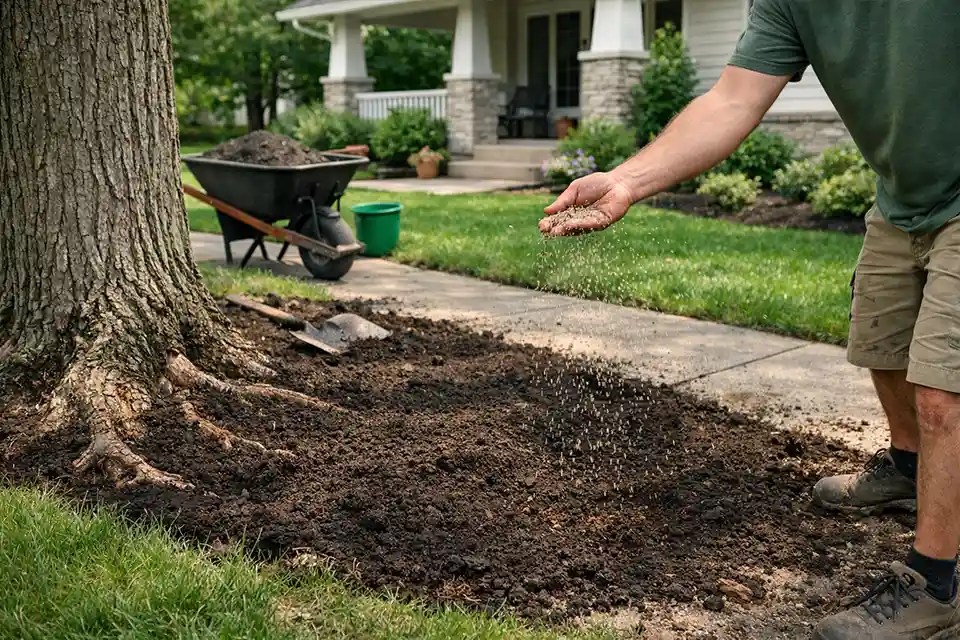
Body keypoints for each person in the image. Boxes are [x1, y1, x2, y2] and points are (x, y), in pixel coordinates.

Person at [541, 1, 960, 637]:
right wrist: (627, 180)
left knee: (943, 390)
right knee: (883, 343)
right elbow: (733, 100)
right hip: (903, 197)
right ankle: (909, 469)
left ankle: (935, 583)